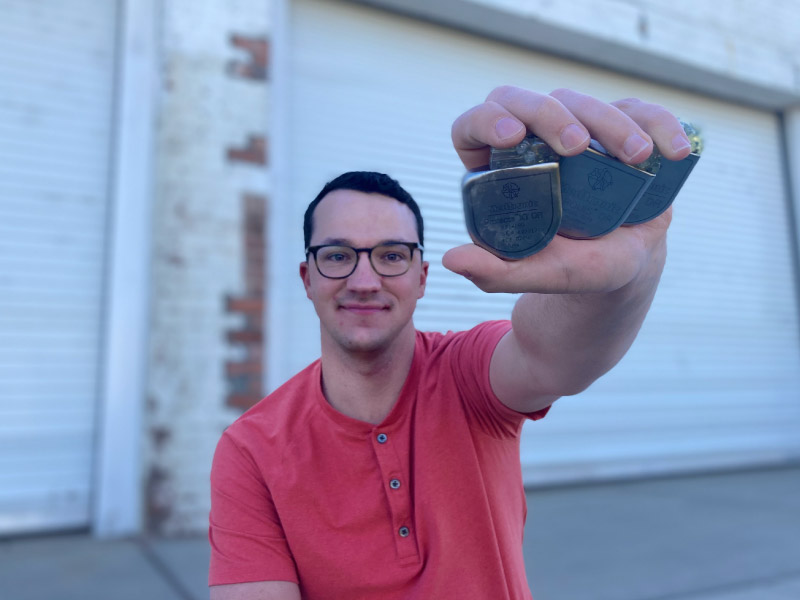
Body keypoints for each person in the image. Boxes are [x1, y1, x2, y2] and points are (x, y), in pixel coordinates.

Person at [208, 86, 693, 600]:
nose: (365, 280)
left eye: (391, 256)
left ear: (421, 278)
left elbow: (553, 357)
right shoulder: (251, 450)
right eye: (337, 255)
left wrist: (624, 274)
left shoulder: (466, 376)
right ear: (308, 278)